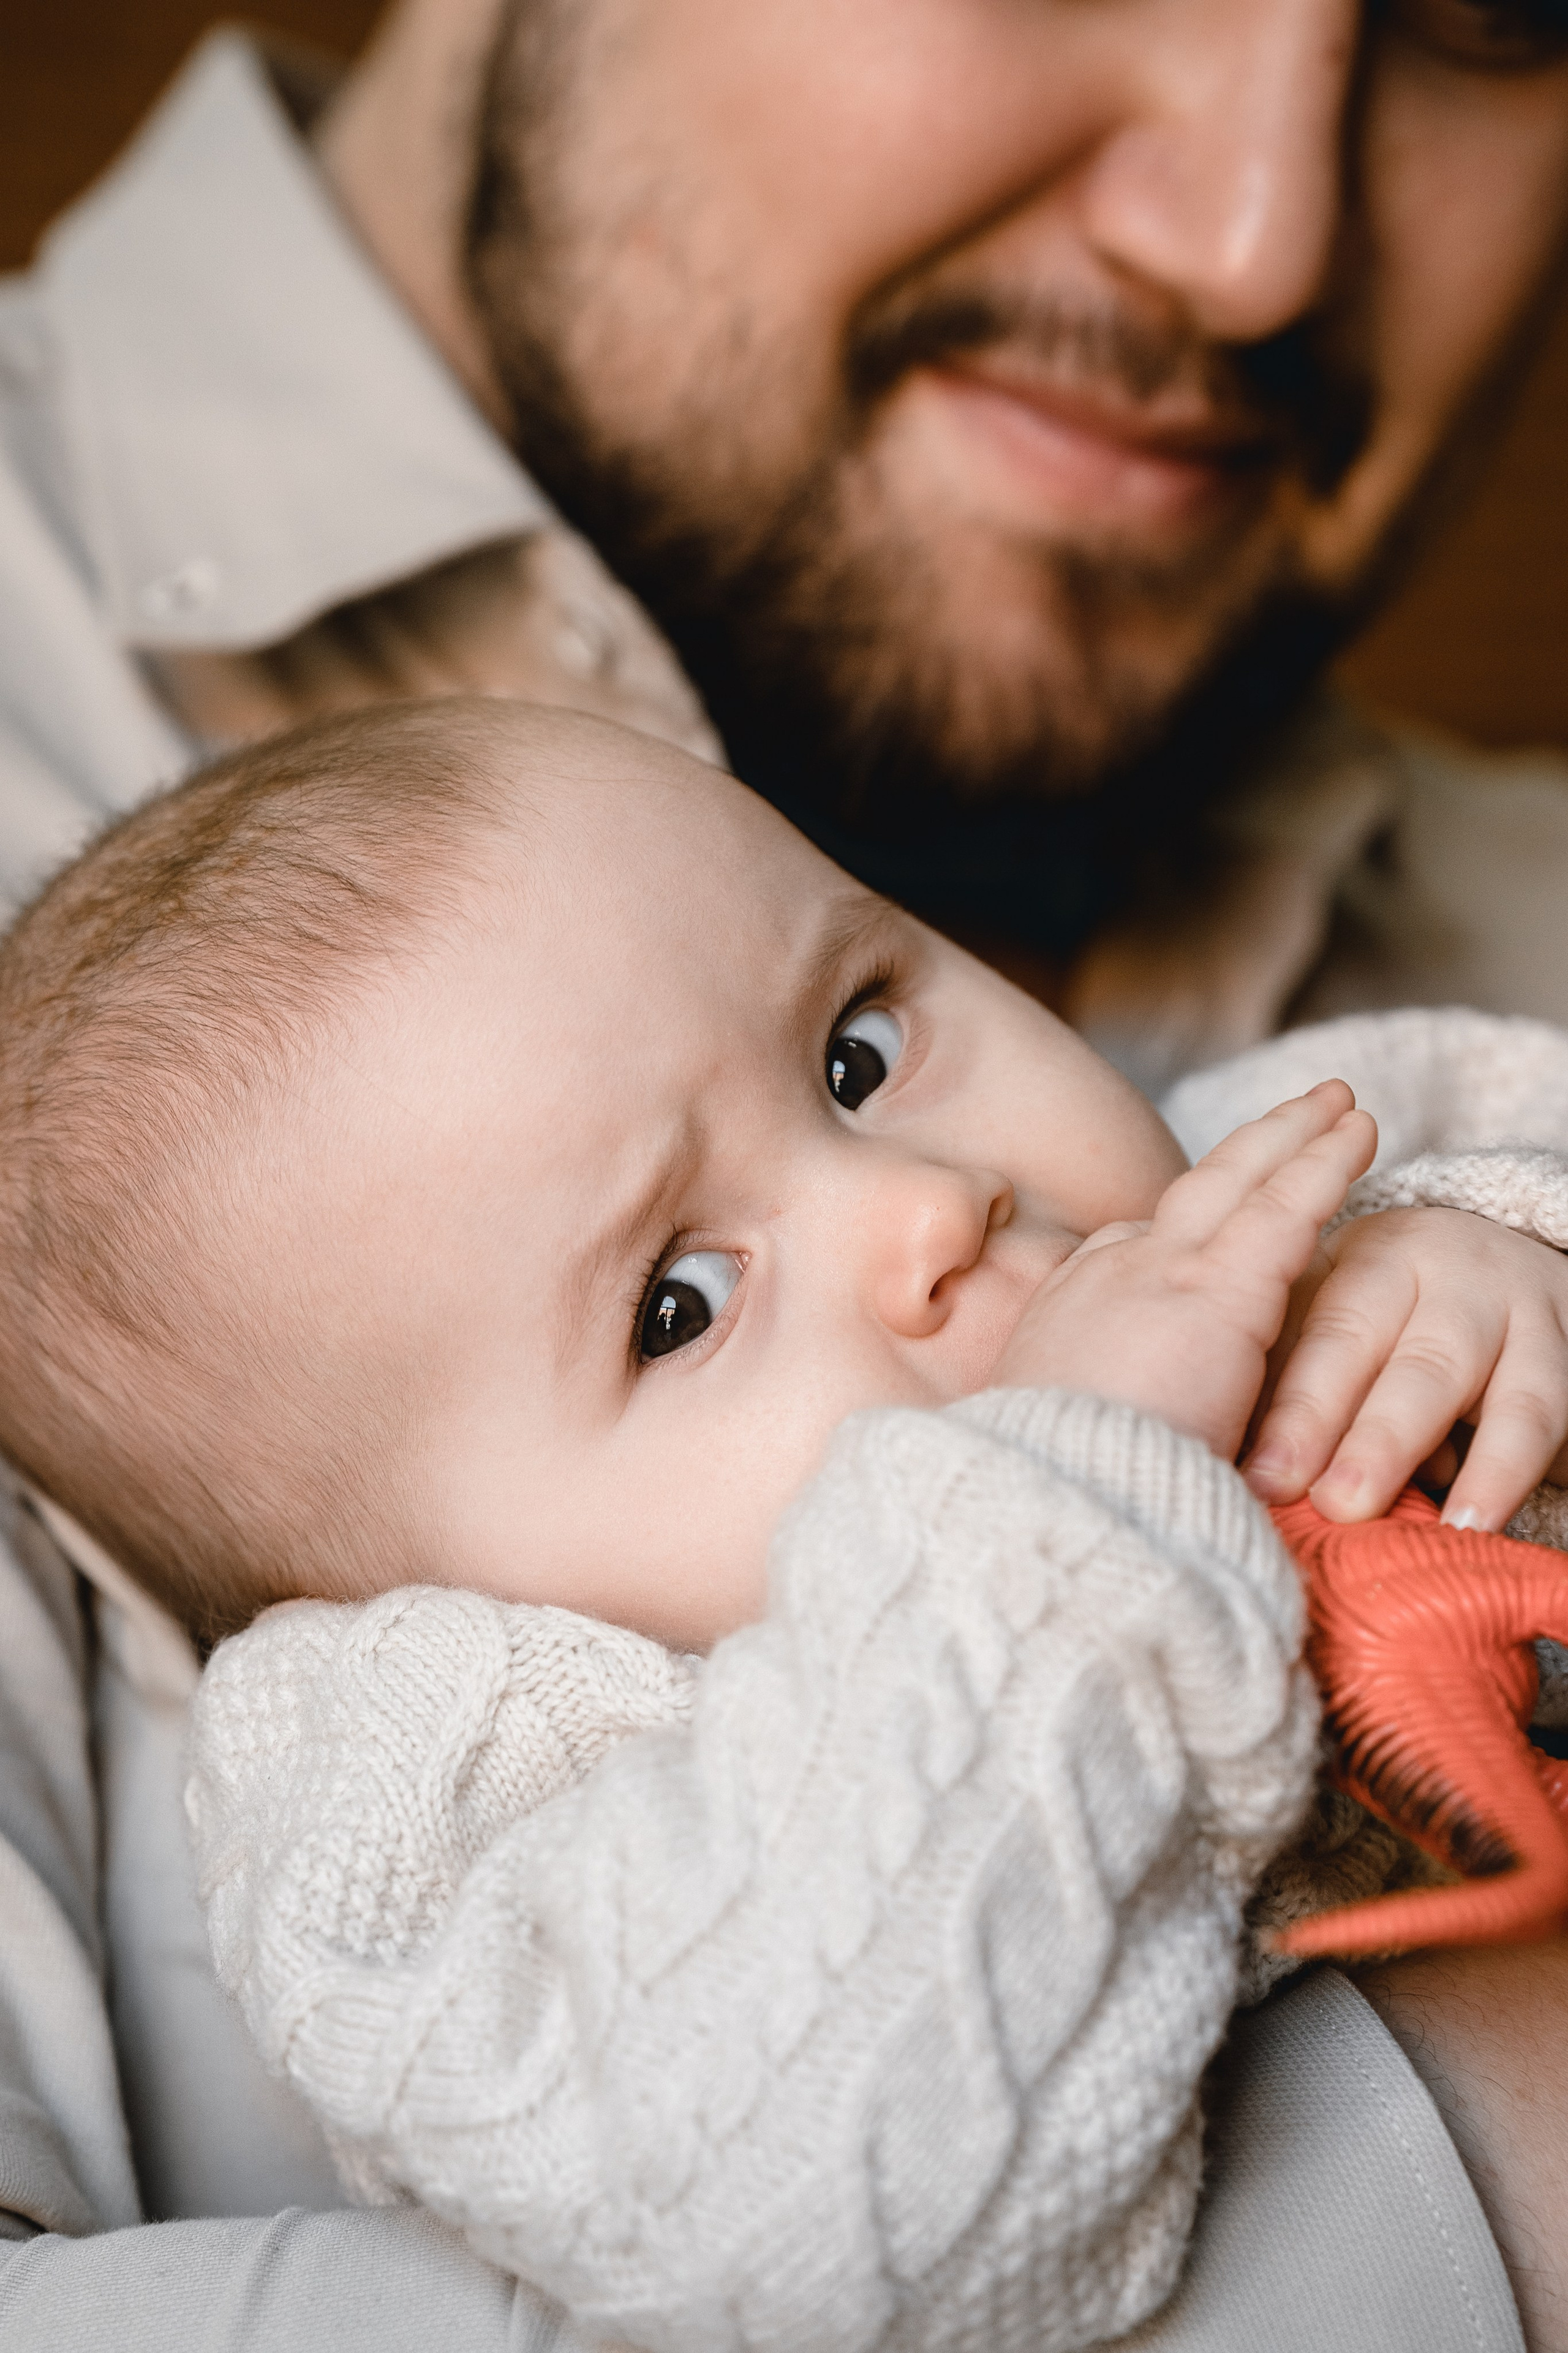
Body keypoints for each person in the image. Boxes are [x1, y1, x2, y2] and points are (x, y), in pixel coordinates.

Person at [2, 2, 1568, 2344]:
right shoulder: (477, 1764)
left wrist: (1497, 1254)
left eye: (860, 1042)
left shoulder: (1269, 1131)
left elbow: (1481, 1111)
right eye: (672, 1305)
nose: (1256, 243)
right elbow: (783, 2192)